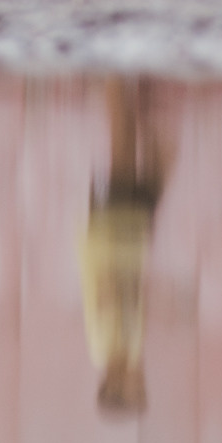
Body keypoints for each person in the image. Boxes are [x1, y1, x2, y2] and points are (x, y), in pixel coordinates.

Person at [82, 75, 175, 415]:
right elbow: (137, 289)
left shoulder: (103, 344)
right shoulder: (131, 347)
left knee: (122, 144)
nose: (142, 379)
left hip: (112, 235)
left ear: (114, 383)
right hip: (133, 239)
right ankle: (129, 84)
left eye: (136, 388)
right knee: (154, 154)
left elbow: (108, 285)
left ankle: (114, 78)